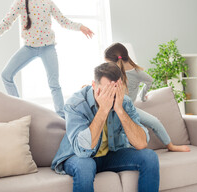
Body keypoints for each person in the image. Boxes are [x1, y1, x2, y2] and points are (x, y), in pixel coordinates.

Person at [0, 0, 94, 119]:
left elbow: (63, 21)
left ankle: (61, 117)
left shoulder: (48, 3)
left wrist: (80, 26)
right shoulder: (21, 2)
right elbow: (7, 21)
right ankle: (19, 109)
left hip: (48, 48)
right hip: (29, 48)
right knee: (6, 75)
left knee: (54, 83)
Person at [51, 62, 160, 192]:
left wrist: (119, 110)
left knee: (149, 156)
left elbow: (141, 143)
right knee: (85, 166)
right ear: (94, 85)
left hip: (110, 154)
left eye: (115, 91)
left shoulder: (123, 102)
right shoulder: (75, 104)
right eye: (106, 91)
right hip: (78, 156)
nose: (111, 97)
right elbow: (82, 150)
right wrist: (103, 110)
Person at [104, 43, 190, 152]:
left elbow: (150, 81)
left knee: (155, 122)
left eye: (108, 63)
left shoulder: (137, 73)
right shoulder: (113, 73)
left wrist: (142, 95)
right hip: (115, 108)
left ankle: (171, 146)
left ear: (117, 61)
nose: (107, 66)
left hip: (129, 108)